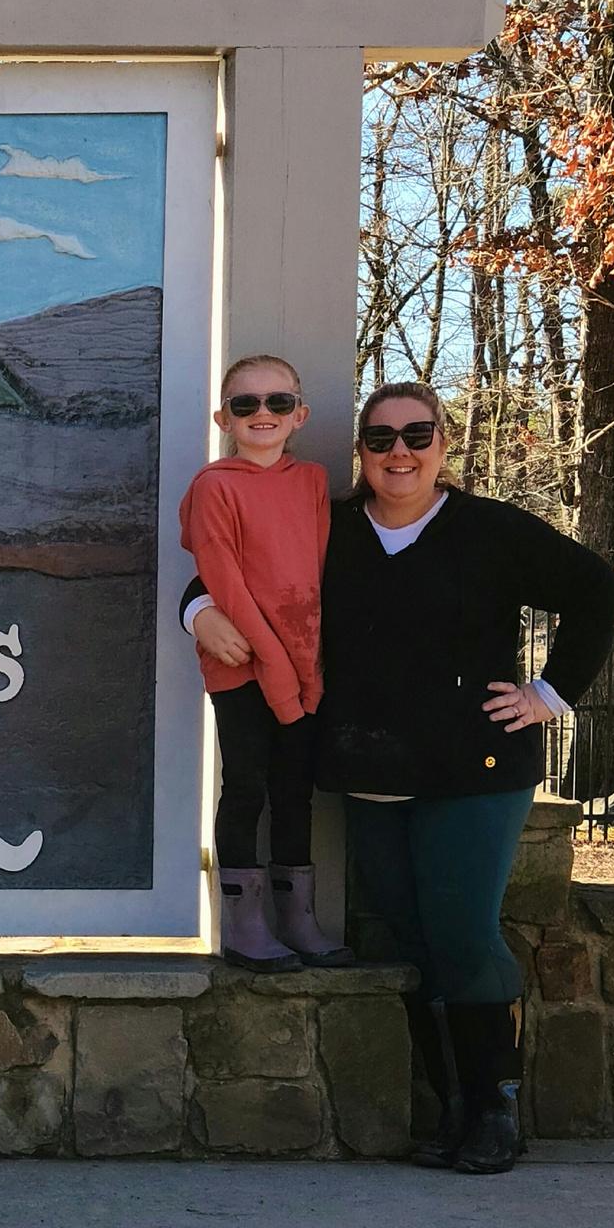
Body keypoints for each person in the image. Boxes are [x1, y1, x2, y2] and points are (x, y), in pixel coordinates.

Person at [190, 381, 614, 1175]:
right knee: (408, 939)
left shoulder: (488, 530)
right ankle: (446, 1109)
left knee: (462, 934)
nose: (399, 452)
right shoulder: (331, 528)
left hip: (474, 771)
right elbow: (233, 575)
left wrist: (548, 694)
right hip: (369, 773)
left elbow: (596, 587)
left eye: (417, 435)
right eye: (380, 437)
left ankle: (493, 1111)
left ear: (442, 444)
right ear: (359, 449)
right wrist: (197, 613)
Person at [178, 353, 345, 968]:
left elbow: (318, 574)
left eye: (279, 401)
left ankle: (298, 920)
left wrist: (307, 663)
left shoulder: (313, 482)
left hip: (305, 663)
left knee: (294, 790)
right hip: (242, 661)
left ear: (300, 414)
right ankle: (243, 927)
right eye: (245, 404)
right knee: (246, 785)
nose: (263, 413)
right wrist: (274, 665)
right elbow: (224, 580)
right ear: (224, 418)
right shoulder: (214, 486)